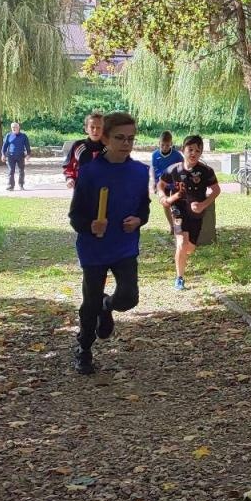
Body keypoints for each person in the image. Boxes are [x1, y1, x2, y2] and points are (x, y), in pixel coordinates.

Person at [67, 111, 150, 375]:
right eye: (119, 138)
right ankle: (84, 349)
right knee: (89, 302)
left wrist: (138, 220)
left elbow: (144, 209)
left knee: (128, 297)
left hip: (124, 246)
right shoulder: (90, 172)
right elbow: (75, 215)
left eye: (131, 139)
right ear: (104, 138)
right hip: (94, 247)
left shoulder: (139, 172)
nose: (126, 143)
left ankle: (108, 305)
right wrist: (90, 225)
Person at [157, 134, 220, 291]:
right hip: (178, 209)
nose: (193, 153)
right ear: (183, 150)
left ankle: (184, 250)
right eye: (190, 149)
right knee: (182, 242)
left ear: (201, 153)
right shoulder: (173, 170)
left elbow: (216, 190)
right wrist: (164, 197)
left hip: (196, 214)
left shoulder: (206, 171)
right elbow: (161, 185)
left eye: (197, 151)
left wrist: (203, 205)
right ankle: (179, 278)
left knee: (190, 247)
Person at [63, 112, 106, 188]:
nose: (95, 130)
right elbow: (69, 166)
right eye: (92, 127)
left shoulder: (110, 148)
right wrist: (69, 178)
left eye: (99, 127)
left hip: (104, 191)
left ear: (104, 129)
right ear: (86, 129)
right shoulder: (78, 146)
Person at [2, 121, 32, 190]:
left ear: (18, 128)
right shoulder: (8, 135)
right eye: (12, 127)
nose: (14, 128)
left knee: (21, 170)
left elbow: (27, 146)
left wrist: (28, 154)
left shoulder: (23, 136)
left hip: (20, 156)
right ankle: (11, 186)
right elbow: (5, 146)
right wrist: (3, 154)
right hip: (11, 156)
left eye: (15, 127)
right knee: (11, 171)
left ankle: (21, 185)